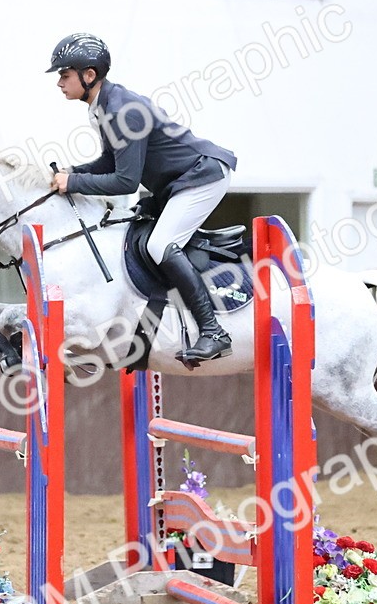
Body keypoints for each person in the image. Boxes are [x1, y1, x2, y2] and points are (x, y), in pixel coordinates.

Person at [46, 32, 238, 363]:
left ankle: (213, 332)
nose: (60, 83)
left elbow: (125, 180)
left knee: (159, 245)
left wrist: (74, 181)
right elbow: (111, 162)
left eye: (64, 75)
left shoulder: (121, 110)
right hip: (179, 181)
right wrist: (72, 172)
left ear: (88, 75)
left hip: (203, 175)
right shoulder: (103, 106)